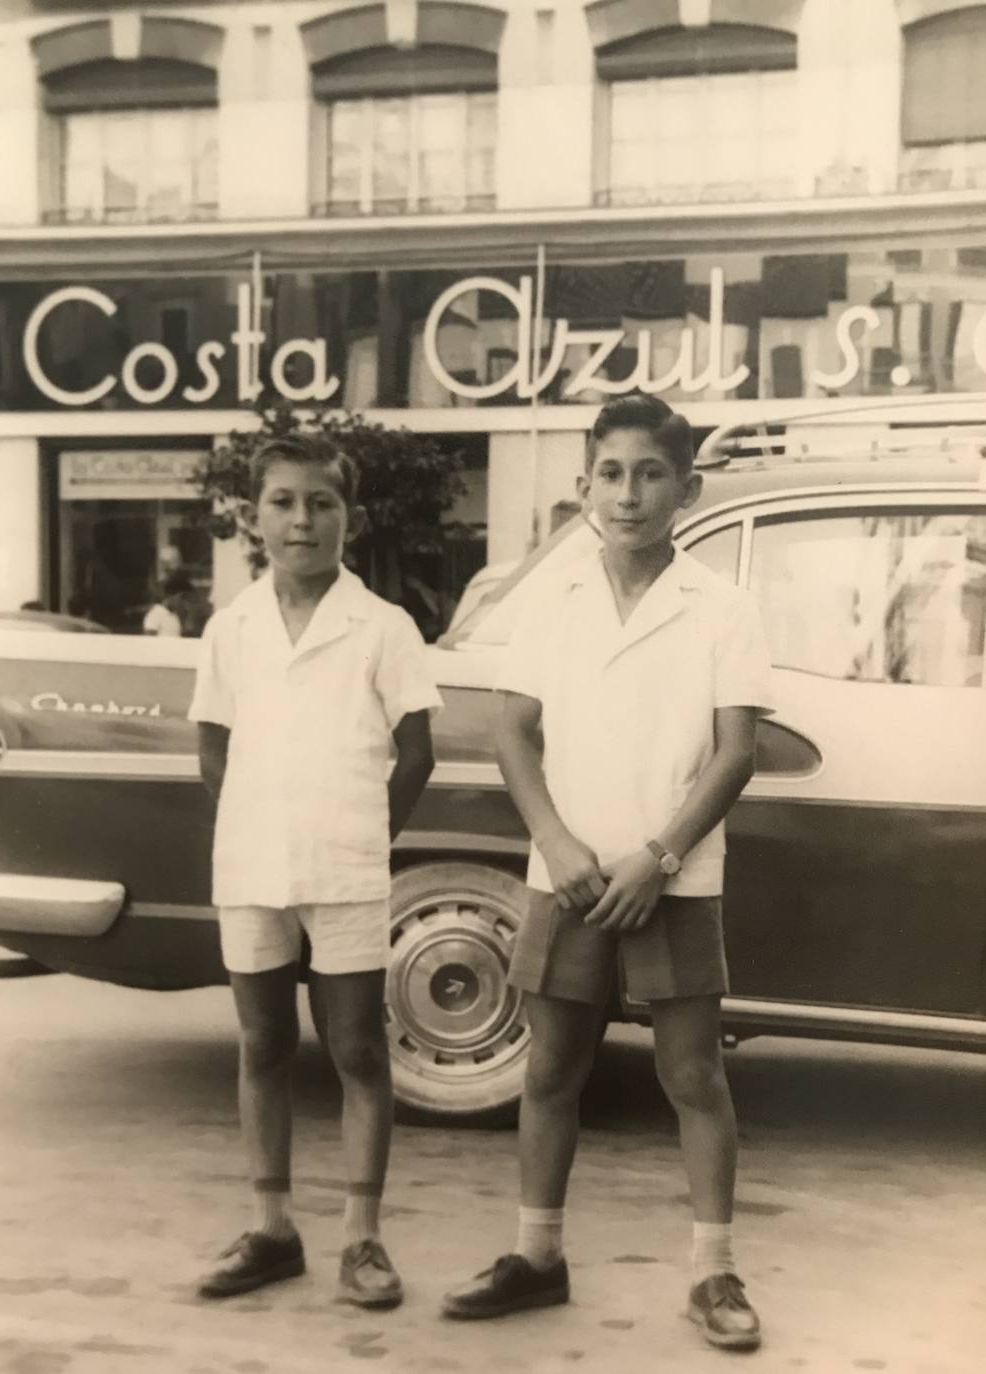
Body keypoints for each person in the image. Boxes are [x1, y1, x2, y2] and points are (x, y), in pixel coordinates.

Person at [441, 395, 774, 1351]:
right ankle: (536, 1257)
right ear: (585, 484)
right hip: (572, 876)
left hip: (674, 875)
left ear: (687, 488)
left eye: (651, 474)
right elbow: (510, 726)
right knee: (550, 1069)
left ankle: (712, 1271)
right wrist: (554, 839)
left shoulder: (723, 605)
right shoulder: (552, 596)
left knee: (692, 1075)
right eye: (611, 474)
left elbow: (734, 752)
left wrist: (661, 855)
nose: (628, 495)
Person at [188, 433, 440, 1308]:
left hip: (348, 871)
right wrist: (259, 821)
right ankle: (271, 1229)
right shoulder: (231, 629)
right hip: (252, 867)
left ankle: (362, 1239)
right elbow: (211, 749)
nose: (303, 520)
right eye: (285, 502)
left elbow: (416, 753)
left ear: (351, 517)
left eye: (322, 503)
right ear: (253, 518)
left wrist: (364, 833)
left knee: (358, 1048)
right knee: (261, 1044)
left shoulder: (383, 626)